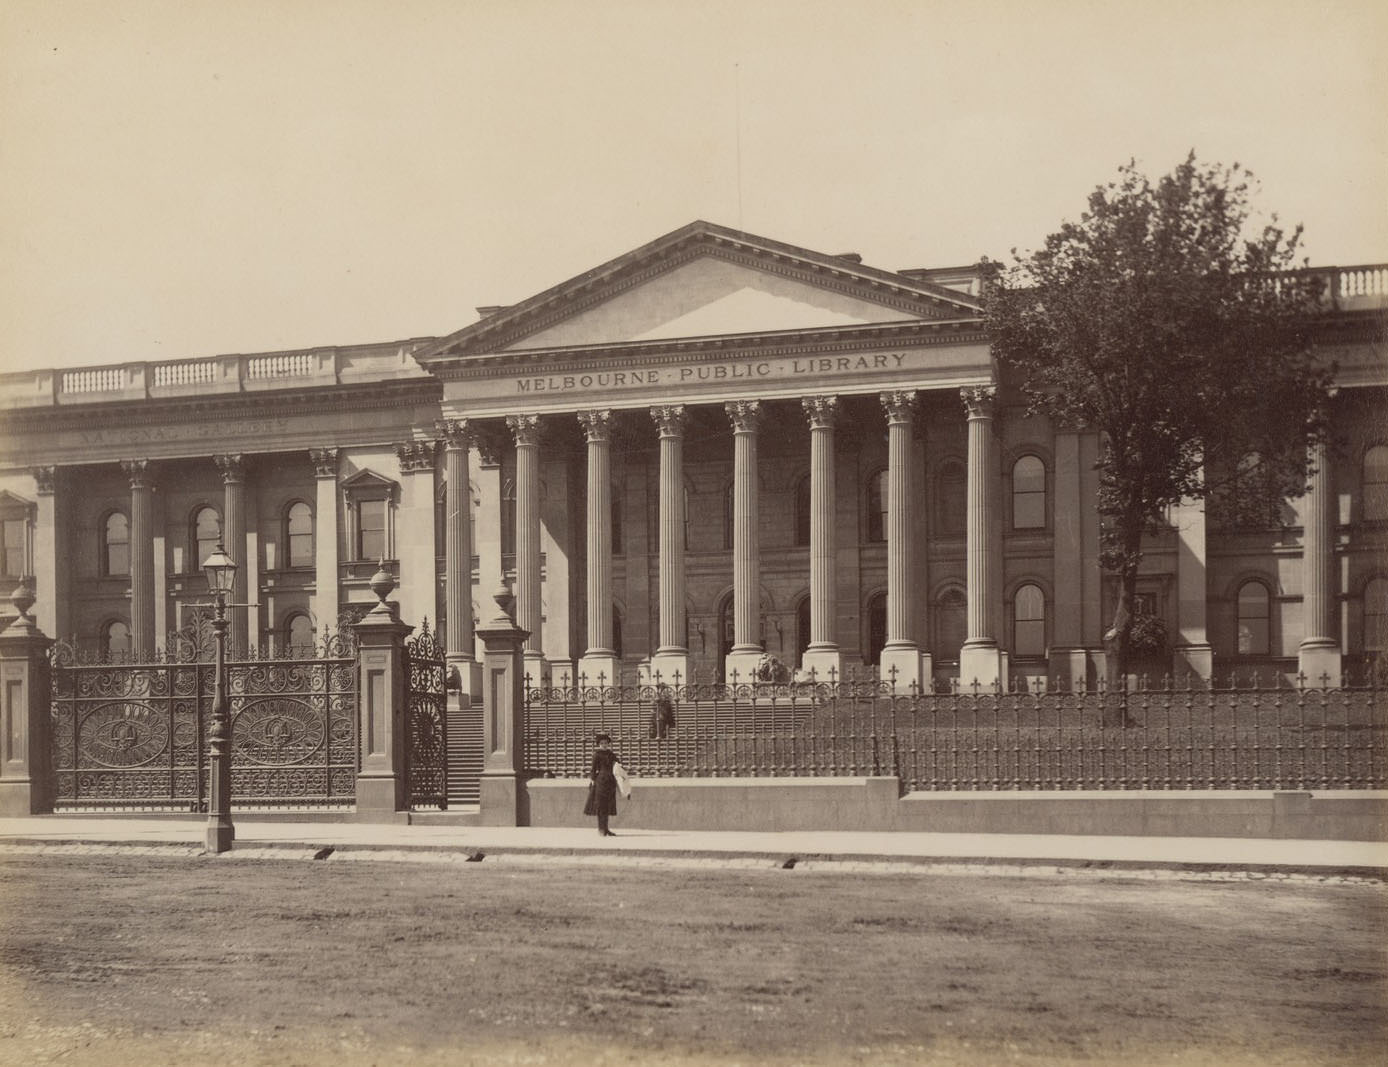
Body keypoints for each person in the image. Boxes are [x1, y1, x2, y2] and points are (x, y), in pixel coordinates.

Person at [583, 732, 620, 836]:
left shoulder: (611, 754)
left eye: (606, 743)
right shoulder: (597, 755)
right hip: (600, 782)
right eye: (602, 743)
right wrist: (593, 781)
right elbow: (593, 770)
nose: (604, 744)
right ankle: (601, 829)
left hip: (610, 782)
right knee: (601, 806)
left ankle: (606, 828)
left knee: (608, 806)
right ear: (598, 744)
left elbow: (618, 764)